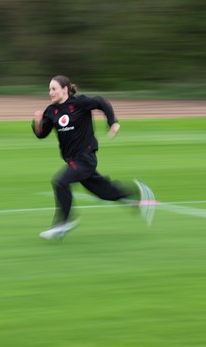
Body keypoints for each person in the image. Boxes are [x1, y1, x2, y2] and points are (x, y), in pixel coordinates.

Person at [32, 75, 155, 240]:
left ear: (64, 89)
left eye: (53, 89)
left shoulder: (79, 103)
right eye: (49, 89)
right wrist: (37, 122)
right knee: (104, 193)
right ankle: (137, 192)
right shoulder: (51, 111)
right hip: (72, 160)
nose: (50, 92)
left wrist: (113, 122)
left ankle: (63, 223)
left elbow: (101, 102)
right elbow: (42, 134)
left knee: (60, 182)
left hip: (85, 158)